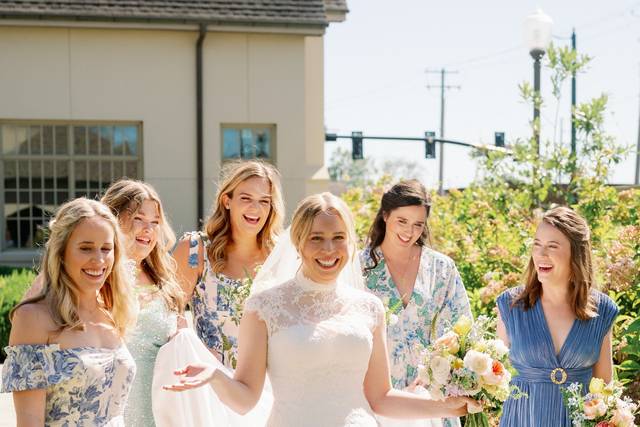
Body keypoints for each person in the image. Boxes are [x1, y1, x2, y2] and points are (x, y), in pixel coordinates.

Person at [163, 192, 478, 426]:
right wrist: (216, 375)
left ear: (350, 243)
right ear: (298, 242)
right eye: (317, 238)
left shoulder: (369, 308)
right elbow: (246, 399)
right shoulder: (263, 307)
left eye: (338, 238)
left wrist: (446, 407)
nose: (329, 250)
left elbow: (381, 397)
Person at [1, 198, 137, 426]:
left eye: (106, 248)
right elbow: (29, 422)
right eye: (85, 248)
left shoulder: (115, 311)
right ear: (61, 252)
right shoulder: (34, 318)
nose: (99, 259)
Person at [360, 180, 472, 427]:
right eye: (402, 221)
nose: (409, 232)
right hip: (375, 398)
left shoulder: (441, 268)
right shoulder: (359, 268)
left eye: (418, 225)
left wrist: (436, 373)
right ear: (385, 215)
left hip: (432, 397)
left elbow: (462, 330)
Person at [496, 206, 619, 427]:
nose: (541, 254)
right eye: (537, 244)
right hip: (521, 420)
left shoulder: (602, 310)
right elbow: (492, 380)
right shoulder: (510, 305)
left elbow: (604, 390)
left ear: (576, 254)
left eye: (552, 246)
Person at [172, 160, 284, 368]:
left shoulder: (281, 255)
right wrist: (196, 351)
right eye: (246, 198)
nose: (255, 208)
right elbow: (169, 314)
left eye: (264, 201)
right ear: (227, 200)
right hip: (210, 381)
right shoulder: (195, 250)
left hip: (268, 384)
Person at [100, 179, 186, 426]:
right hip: (110, 408)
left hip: (159, 410)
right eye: (138, 219)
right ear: (114, 220)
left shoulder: (164, 281)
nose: (148, 229)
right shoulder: (97, 277)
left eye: (155, 222)